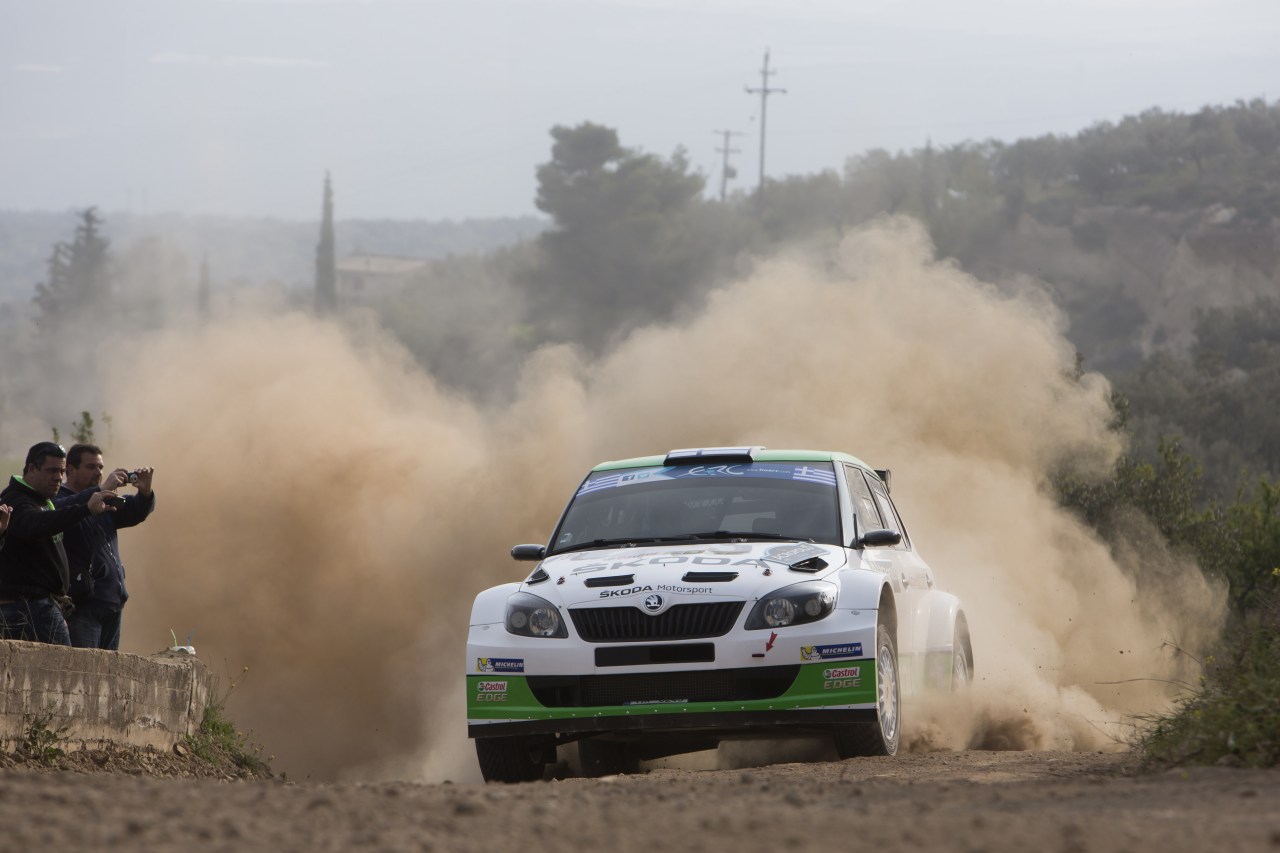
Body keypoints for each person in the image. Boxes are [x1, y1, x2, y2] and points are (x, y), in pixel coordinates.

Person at [0, 442, 115, 645]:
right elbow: (36, 524)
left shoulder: (42, 500)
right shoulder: (16, 500)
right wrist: (85, 509)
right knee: (67, 672)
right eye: (52, 470)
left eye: (62, 471)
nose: (58, 477)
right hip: (29, 608)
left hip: (41, 607)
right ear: (32, 469)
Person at [56, 443, 155, 651]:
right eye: (91, 467)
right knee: (85, 674)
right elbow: (61, 510)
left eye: (100, 468)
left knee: (108, 678)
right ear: (70, 470)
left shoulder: (105, 500)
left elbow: (134, 511)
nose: (98, 473)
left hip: (112, 606)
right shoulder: (60, 501)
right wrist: (100, 490)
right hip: (83, 608)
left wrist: (145, 494)